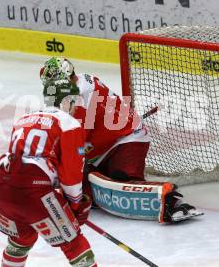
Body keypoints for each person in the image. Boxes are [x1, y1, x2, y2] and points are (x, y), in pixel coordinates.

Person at [40, 57, 202, 223]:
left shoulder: (80, 98)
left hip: (127, 139)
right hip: (101, 147)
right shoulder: (80, 82)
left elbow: (75, 145)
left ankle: (170, 200)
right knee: (84, 186)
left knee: (123, 183)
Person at [0, 79, 97, 267]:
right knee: (73, 244)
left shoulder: (23, 119)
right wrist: (75, 205)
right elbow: (71, 176)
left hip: (2, 187)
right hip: (35, 193)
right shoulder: (69, 123)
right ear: (68, 100)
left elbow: (18, 159)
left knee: (21, 240)